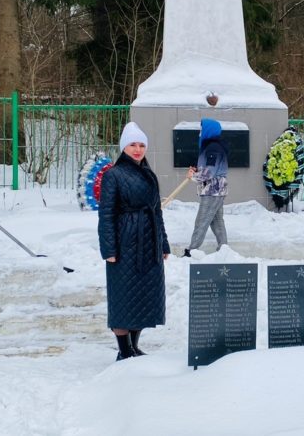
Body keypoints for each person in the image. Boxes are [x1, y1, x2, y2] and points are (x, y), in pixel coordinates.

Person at [98, 122, 170, 361]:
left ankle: (134, 346)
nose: (138, 149)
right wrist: (108, 248)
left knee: (144, 294)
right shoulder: (113, 175)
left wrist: (164, 244)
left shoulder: (148, 174)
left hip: (149, 242)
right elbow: (106, 214)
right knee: (124, 295)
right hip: (125, 242)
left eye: (141, 145)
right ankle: (124, 349)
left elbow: (156, 211)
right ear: (123, 147)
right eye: (132, 145)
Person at [182, 118, 229, 257]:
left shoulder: (213, 148)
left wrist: (193, 177)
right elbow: (209, 168)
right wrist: (197, 171)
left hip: (212, 190)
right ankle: (224, 249)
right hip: (215, 190)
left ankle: (191, 251)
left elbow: (209, 172)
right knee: (216, 221)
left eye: (201, 130)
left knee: (202, 220)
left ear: (209, 131)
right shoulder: (212, 147)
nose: (199, 133)